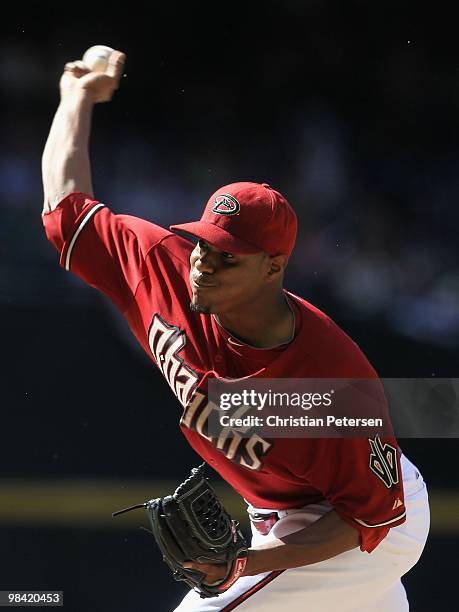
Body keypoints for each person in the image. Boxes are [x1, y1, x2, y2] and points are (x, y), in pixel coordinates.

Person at [41, 49, 430, 612]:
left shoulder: (329, 377)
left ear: (273, 267)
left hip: (365, 527)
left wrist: (244, 564)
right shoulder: (165, 268)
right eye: (202, 243)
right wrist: (74, 98)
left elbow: (369, 516)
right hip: (288, 514)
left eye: (228, 256)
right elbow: (66, 213)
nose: (203, 262)